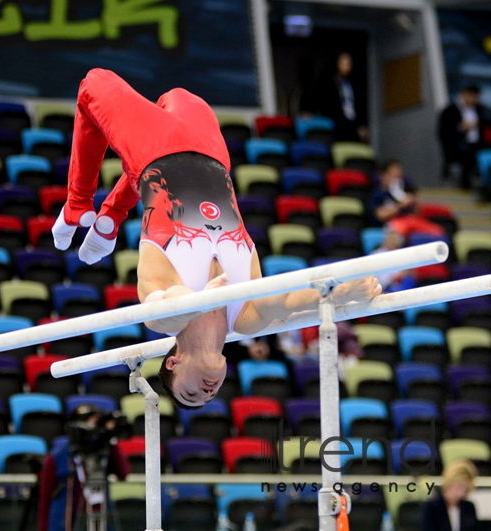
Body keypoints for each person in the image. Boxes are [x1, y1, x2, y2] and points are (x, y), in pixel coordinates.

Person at [52, 69, 382, 411]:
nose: (207, 392)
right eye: (209, 396)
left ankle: (78, 205)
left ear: (172, 363)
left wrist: (202, 300)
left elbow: (171, 307)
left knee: (93, 84)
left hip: (155, 150)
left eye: (190, 393)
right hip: (212, 153)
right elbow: (286, 299)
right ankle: (110, 218)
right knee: (181, 94)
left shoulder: (162, 319)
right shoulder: (245, 319)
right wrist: (340, 295)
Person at [37, 404, 130, 531]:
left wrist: (109, 439)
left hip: (101, 523)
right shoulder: (57, 456)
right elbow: (45, 497)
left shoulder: (104, 451)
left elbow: (124, 473)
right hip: (66, 525)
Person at [368, 160, 445, 241]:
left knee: (438, 232)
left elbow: (417, 214)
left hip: (410, 222)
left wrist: (415, 202)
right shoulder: (378, 195)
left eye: (398, 176)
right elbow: (380, 215)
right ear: (383, 176)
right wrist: (400, 205)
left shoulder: (405, 192)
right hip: (392, 225)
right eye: (393, 175)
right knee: (395, 231)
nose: (396, 179)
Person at [438, 84, 483, 189]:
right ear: (464, 95)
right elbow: (444, 132)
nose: (474, 100)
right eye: (472, 96)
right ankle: (465, 186)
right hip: (457, 144)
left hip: (477, 144)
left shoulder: (479, 110)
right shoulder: (449, 111)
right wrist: (462, 128)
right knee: (467, 152)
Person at [422, 460, 478, 531]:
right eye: (459, 487)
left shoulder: (468, 507)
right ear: (449, 483)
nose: (461, 493)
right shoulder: (432, 507)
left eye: (465, 490)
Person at [326, 52, 369, 142]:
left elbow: (360, 105)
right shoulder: (330, 83)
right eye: (343, 63)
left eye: (348, 64)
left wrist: (362, 125)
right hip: (338, 124)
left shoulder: (355, 83)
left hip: (354, 123)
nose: (345, 67)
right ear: (337, 64)